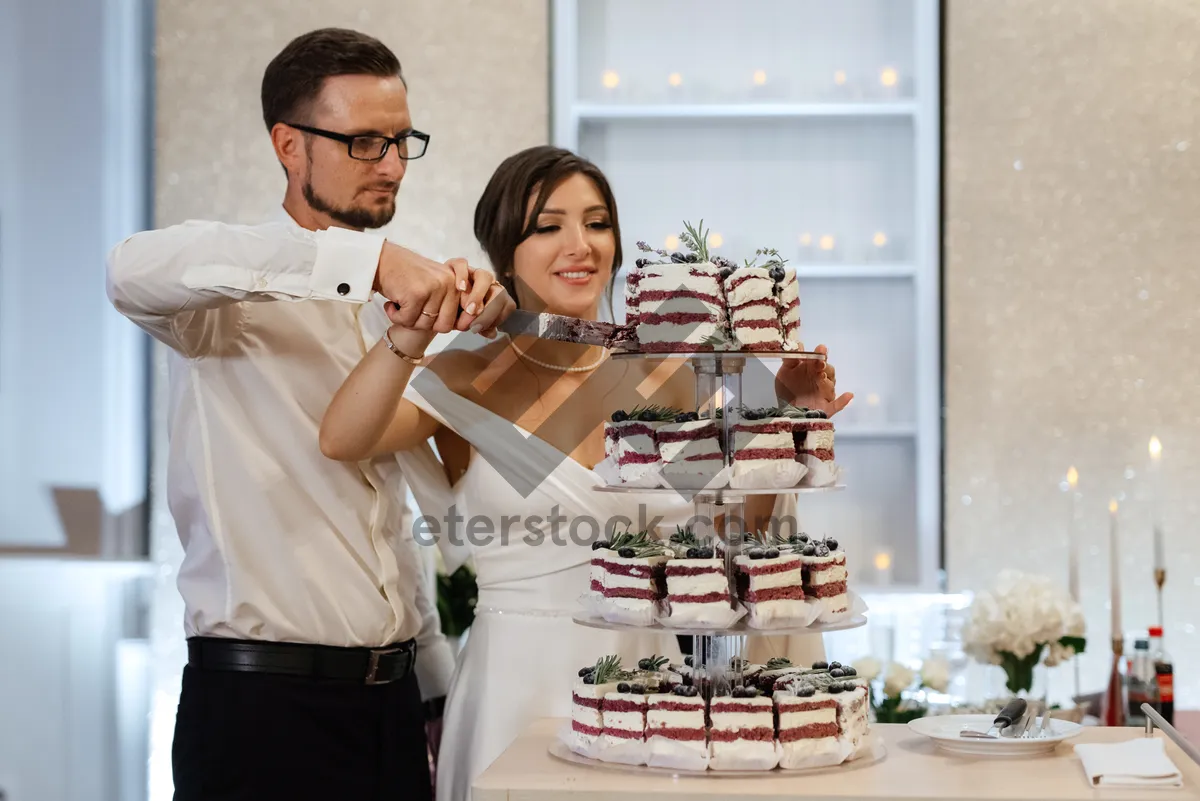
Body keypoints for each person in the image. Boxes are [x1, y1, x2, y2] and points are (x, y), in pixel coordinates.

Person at [318, 145, 852, 800]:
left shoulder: (666, 373)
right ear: (504, 248)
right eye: (548, 226)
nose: (580, 245)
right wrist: (416, 326)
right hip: (510, 693)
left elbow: (730, 540)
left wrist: (790, 419)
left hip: (641, 694)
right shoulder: (468, 371)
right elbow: (342, 437)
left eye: (597, 223)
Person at [105, 28, 513, 801]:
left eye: (400, 141)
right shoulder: (221, 299)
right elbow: (127, 269)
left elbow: (384, 513)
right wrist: (369, 261)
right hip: (261, 713)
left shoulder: (397, 305)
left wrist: (432, 686)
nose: (392, 165)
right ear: (289, 146)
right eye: (364, 142)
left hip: (392, 706)